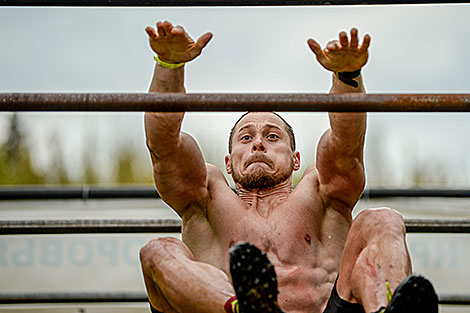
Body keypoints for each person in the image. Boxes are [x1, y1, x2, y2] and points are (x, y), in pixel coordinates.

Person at [140, 20, 438, 313]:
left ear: (296, 159)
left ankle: (386, 309)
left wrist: (347, 77)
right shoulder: (206, 198)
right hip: (225, 308)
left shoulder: (320, 192)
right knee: (157, 251)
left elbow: (346, 145)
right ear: (228, 163)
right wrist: (169, 66)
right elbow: (163, 147)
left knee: (382, 220)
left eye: (271, 136)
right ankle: (242, 309)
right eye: (246, 138)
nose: (258, 144)